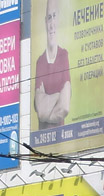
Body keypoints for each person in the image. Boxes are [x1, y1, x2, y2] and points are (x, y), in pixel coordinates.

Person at [34, 0, 72, 128]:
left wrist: (47, 99)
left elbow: (65, 107)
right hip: (40, 141)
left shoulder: (63, 56)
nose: (52, 24)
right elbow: (41, 112)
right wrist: (57, 96)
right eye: (49, 18)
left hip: (61, 138)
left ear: (59, 19)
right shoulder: (40, 62)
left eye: (54, 16)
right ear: (45, 22)